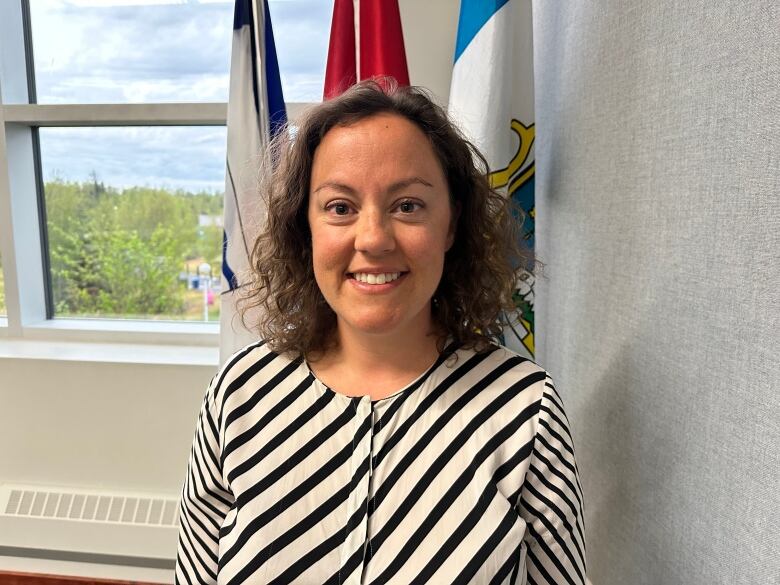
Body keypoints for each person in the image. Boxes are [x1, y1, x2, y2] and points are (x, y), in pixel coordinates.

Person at [174, 80, 587, 585]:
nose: (372, 239)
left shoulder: (524, 409)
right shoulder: (239, 396)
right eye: (340, 207)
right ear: (305, 225)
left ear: (451, 224)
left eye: (408, 205)